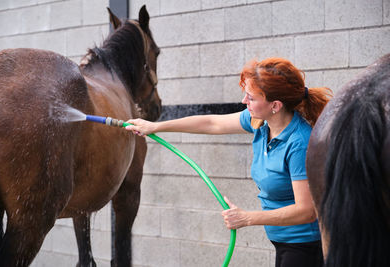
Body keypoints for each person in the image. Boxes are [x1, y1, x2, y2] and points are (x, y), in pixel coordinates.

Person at [124, 57, 332, 267]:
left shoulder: (299, 143)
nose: (244, 101)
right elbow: (212, 122)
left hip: (305, 245)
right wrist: (154, 127)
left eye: (251, 98)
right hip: (283, 241)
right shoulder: (260, 122)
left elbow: (306, 211)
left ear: (275, 105)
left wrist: (247, 218)